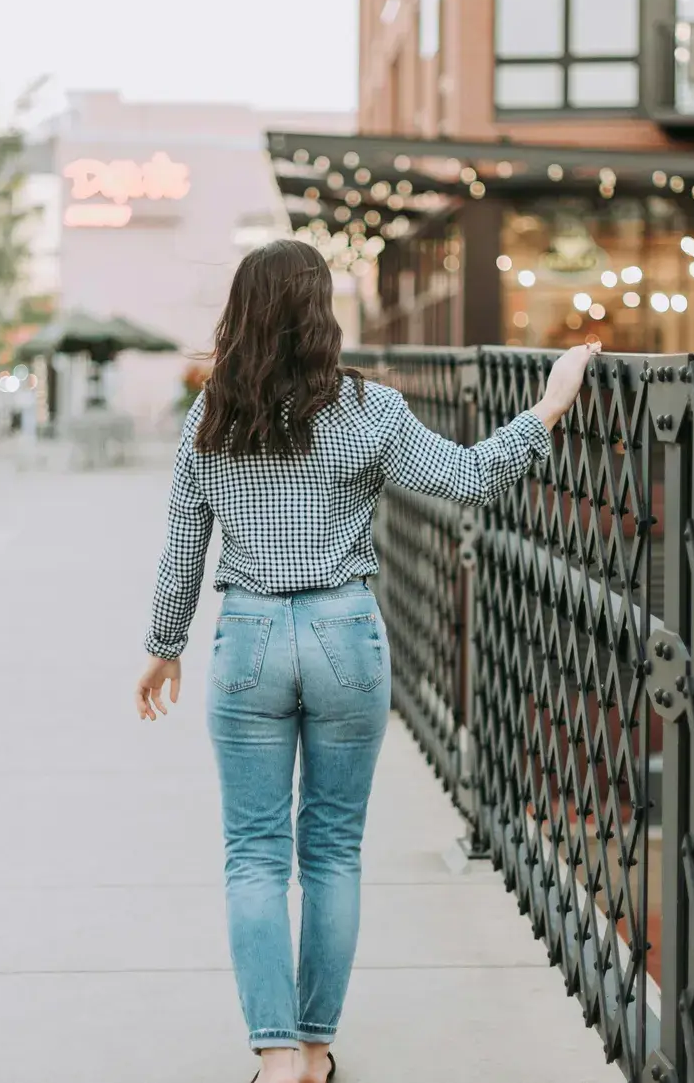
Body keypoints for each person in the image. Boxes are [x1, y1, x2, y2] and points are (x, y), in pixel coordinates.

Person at [134, 238, 599, 1083]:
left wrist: (163, 647)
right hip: (347, 634)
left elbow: (181, 553)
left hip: (248, 640)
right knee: (333, 850)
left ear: (241, 315)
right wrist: (549, 406)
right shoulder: (369, 412)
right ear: (323, 315)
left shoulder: (211, 420)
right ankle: (315, 1050)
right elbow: (465, 478)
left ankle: (274, 1056)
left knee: (254, 852)